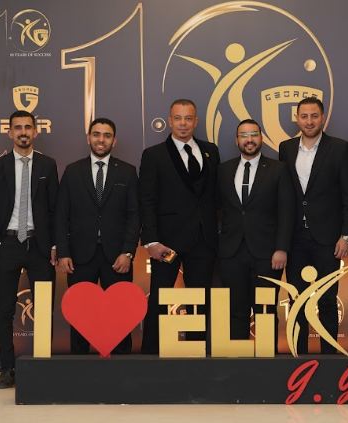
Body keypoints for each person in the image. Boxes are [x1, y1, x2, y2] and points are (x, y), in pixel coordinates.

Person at [138, 99, 220, 354]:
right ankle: (151, 355)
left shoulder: (211, 151)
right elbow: (146, 200)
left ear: (196, 121)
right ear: (170, 121)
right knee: (160, 297)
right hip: (166, 242)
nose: (183, 123)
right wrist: (151, 241)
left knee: (200, 299)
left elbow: (215, 196)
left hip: (203, 240)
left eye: (188, 118)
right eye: (178, 118)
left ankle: (197, 355)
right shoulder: (153, 155)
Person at [0, 110, 58, 387]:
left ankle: (43, 367)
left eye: (28, 127)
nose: (23, 132)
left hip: (40, 246)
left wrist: (55, 245)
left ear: (35, 131)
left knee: (44, 308)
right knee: (5, 310)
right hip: (9, 244)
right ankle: (7, 369)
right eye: (18, 127)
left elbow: (55, 209)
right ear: (10, 132)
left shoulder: (48, 165)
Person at [279, 97, 348, 354]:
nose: (309, 121)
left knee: (326, 300)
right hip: (295, 239)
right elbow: (285, 196)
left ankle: (329, 359)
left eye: (314, 116)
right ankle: (298, 357)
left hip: (328, 239)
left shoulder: (340, 148)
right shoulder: (286, 148)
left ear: (323, 118)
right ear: (297, 119)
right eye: (304, 116)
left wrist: (346, 235)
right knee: (297, 300)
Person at [55, 118, 139, 354]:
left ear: (114, 140)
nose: (101, 140)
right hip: (80, 257)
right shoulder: (72, 171)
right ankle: (80, 366)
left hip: (117, 257)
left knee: (121, 315)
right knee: (80, 315)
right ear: (88, 138)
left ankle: (121, 368)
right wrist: (63, 252)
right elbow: (61, 215)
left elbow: (134, 215)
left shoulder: (128, 172)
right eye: (96, 134)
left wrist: (128, 252)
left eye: (107, 135)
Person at [217, 119, 294, 344]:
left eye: (253, 135)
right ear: (236, 140)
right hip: (231, 253)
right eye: (244, 135)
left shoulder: (278, 169)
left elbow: (286, 212)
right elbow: (217, 209)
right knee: (235, 311)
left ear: (261, 138)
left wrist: (281, 248)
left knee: (265, 310)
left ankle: (268, 360)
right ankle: (237, 360)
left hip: (267, 254)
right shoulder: (223, 170)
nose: (249, 140)